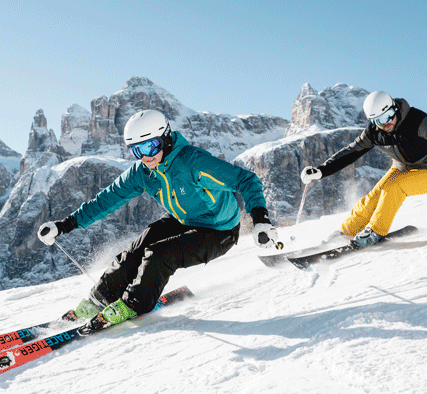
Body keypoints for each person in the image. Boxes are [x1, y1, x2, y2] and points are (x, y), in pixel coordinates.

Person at [37, 109, 279, 333]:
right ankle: (98, 300)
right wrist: (64, 225)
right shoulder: (142, 172)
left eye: (151, 147)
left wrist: (260, 219)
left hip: (219, 229)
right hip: (183, 219)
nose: (145, 157)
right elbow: (106, 200)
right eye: (137, 150)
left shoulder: (192, 162)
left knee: (160, 254)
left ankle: (134, 304)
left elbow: (246, 181)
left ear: (166, 139)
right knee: (134, 253)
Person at [300, 91, 427, 248]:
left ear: (395, 108)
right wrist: (321, 170)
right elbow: (351, 152)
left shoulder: (416, 120)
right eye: (379, 121)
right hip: (401, 168)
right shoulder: (374, 132)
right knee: (374, 197)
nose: (386, 124)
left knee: (394, 188)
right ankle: (346, 232)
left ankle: (375, 232)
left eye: (388, 116)